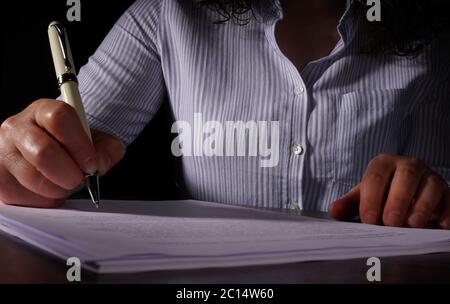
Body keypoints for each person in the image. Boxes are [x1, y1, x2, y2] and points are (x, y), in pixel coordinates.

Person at [0, 0, 449, 229]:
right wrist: (26, 163)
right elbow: (58, 159)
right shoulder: (166, 12)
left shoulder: (433, 37)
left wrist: (432, 194)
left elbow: (436, 203)